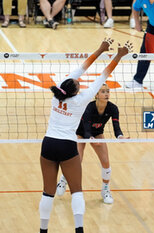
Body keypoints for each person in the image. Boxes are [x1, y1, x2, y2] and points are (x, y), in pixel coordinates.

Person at [39, 38, 132, 233]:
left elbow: (83, 67)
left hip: (48, 144)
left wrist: (100, 49)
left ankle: (43, 230)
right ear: (75, 91)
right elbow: (104, 74)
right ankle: (79, 230)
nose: (79, 80)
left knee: (47, 193)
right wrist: (118, 55)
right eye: (78, 83)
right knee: (77, 192)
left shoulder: (58, 92)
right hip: (67, 146)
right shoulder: (81, 100)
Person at [56, 83, 130, 204]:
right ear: (96, 95)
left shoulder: (113, 108)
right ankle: (63, 180)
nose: (106, 94)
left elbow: (117, 127)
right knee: (77, 160)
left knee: (105, 161)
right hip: (81, 133)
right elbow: (86, 128)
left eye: (107, 91)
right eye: (103, 92)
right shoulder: (88, 108)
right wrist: (89, 138)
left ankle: (105, 190)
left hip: (97, 133)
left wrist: (120, 136)